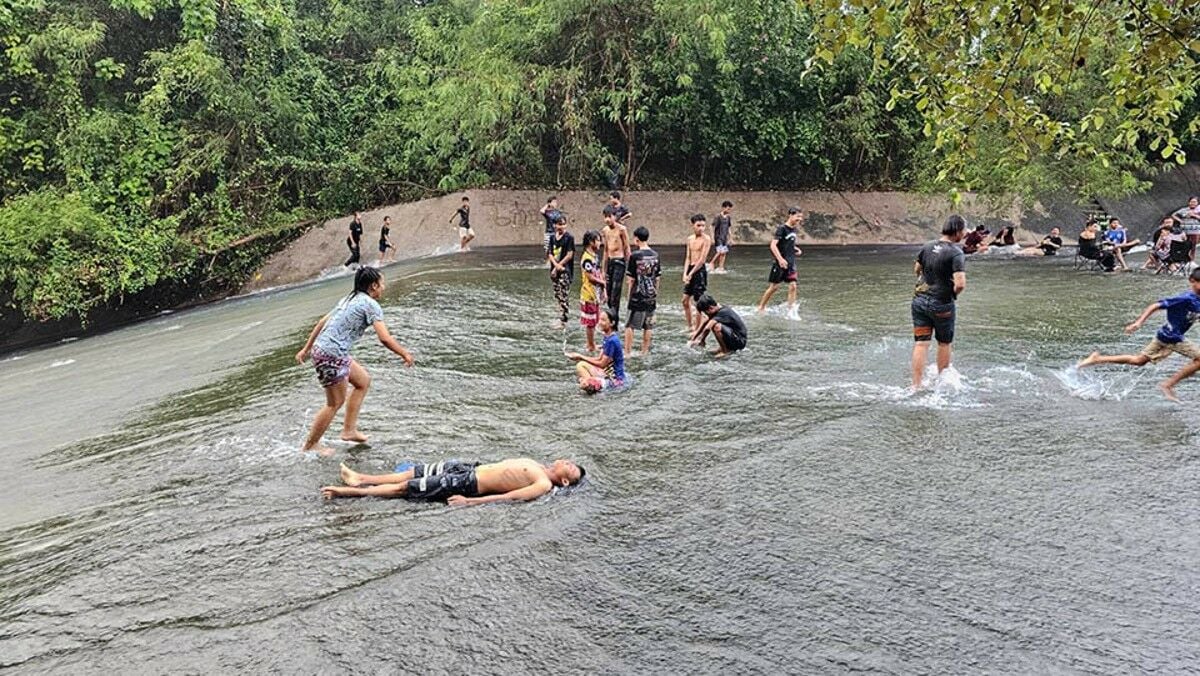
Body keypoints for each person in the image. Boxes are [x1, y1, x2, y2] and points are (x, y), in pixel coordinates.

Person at [295, 267, 415, 454]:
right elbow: (384, 338)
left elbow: (322, 322)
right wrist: (404, 353)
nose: (383, 287)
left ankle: (349, 431)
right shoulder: (371, 305)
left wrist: (307, 348)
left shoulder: (349, 299)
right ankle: (311, 445)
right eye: (382, 283)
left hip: (328, 351)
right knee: (334, 403)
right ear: (373, 285)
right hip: (331, 354)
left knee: (362, 381)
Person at [1078, 268, 1200, 401]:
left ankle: (1097, 359)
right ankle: (1168, 385)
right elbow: (1155, 305)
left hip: (1164, 335)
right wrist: (1138, 322)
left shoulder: (1197, 301)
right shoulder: (1185, 298)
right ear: (1192, 281)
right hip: (1172, 337)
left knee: (1138, 360)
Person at [322, 458, 585, 504]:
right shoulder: (539, 466)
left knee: (407, 489)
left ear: (563, 482)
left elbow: (510, 497)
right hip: (469, 468)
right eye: (570, 462)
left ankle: (346, 492)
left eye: (570, 468)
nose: (568, 462)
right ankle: (361, 478)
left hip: (468, 484)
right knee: (414, 472)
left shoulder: (544, 484)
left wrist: (469, 502)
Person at [911, 214, 967, 391]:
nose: (965, 234)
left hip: (919, 301)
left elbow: (917, 269)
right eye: (964, 230)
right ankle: (942, 384)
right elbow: (960, 284)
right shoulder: (956, 253)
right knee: (944, 343)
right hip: (942, 305)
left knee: (921, 343)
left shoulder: (927, 247)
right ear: (957, 231)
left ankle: (916, 385)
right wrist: (951, 293)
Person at [756, 207, 804, 314]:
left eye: (801, 217)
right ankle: (761, 307)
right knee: (774, 287)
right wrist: (780, 259)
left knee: (793, 286)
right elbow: (773, 245)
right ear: (791, 215)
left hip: (791, 263)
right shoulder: (782, 228)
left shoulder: (794, 229)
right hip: (780, 263)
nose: (800, 219)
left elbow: (788, 242)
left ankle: (790, 310)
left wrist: (795, 249)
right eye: (798, 216)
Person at [566, 308, 626, 393]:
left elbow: (602, 364)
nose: (600, 322)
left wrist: (580, 356)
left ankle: (591, 385)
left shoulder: (612, 341)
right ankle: (591, 382)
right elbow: (599, 359)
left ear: (612, 323)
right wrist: (580, 357)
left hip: (614, 379)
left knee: (583, 382)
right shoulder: (607, 336)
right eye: (600, 319)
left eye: (603, 320)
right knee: (581, 365)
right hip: (607, 372)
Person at [624, 226, 661, 356]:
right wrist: (654, 294)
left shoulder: (635, 256)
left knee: (629, 325)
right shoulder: (655, 255)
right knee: (648, 325)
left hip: (637, 296)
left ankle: (627, 352)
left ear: (636, 239)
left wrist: (629, 296)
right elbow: (657, 278)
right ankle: (644, 352)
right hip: (651, 296)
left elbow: (631, 280)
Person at [600, 205, 631, 329]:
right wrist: (603, 270)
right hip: (610, 262)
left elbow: (627, 249)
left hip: (620, 262)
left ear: (615, 216)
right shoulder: (605, 231)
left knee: (615, 294)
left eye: (609, 216)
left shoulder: (622, 229)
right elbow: (606, 251)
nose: (607, 219)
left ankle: (615, 323)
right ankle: (611, 317)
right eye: (605, 217)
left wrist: (629, 270)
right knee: (607, 293)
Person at [681, 214, 713, 331]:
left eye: (703, 226)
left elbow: (702, 260)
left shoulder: (706, 239)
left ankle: (697, 329)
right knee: (685, 300)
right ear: (693, 225)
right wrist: (685, 273)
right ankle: (690, 326)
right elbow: (688, 257)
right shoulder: (689, 239)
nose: (701, 228)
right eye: (698, 225)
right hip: (690, 268)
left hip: (699, 271)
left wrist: (691, 274)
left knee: (698, 303)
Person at [546, 214, 576, 328]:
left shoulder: (569, 238)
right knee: (557, 294)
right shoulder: (552, 238)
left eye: (564, 224)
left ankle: (564, 320)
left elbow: (570, 254)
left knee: (563, 294)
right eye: (559, 224)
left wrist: (559, 265)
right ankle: (561, 317)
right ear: (554, 225)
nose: (562, 227)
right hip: (555, 270)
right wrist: (555, 266)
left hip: (565, 270)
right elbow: (550, 253)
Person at [579, 229, 606, 352]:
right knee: (590, 322)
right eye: (598, 240)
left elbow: (599, 273)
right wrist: (603, 283)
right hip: (588, 293)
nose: (600, 243)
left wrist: (603, 291)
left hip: (595, 293)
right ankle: (590, 345)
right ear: (591, 242)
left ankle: (592, 343)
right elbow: (590, 277)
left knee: (594, 320)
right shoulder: (587, 258)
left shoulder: (595, 256)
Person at [1172, 196, 1200, 261]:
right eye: (1191, 202)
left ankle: (1191, 259)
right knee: (1184, 244)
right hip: (1185, 230)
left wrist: (1194, 215)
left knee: (1193, 245)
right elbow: (1173, 215)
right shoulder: (1184, 209)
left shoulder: (1198, 210)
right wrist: (1180, 220)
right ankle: (1183, 257)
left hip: (1195, 230)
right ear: (1188, 202)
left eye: (1194, 202)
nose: (1192, 203)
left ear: (1197, 203)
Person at [709, 200, 734, 273]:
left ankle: (721, 267)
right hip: (718, 237)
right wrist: (712, 237)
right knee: (720, 251)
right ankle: (712, 262)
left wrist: (731, 238)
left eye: (730, 209)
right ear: (723, 208)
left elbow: (729, 227)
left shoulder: (728, 217)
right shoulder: (718, 217)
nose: (729, 210)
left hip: (724, 237)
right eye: (728, 209)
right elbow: (711, 226)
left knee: (724, 252)